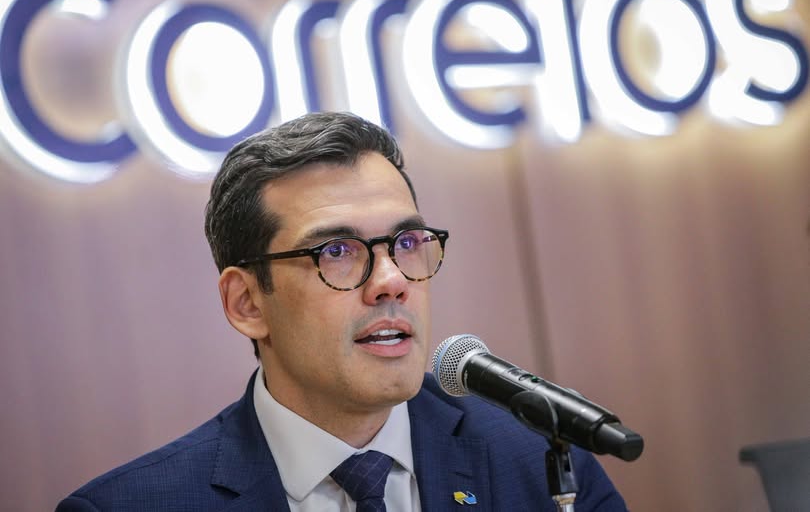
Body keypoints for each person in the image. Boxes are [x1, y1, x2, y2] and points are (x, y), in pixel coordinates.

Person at [56, 112, 627, 511]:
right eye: (336, 251)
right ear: (247, 303)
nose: (391, 281)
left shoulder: (542, 463)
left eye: (407, 243)